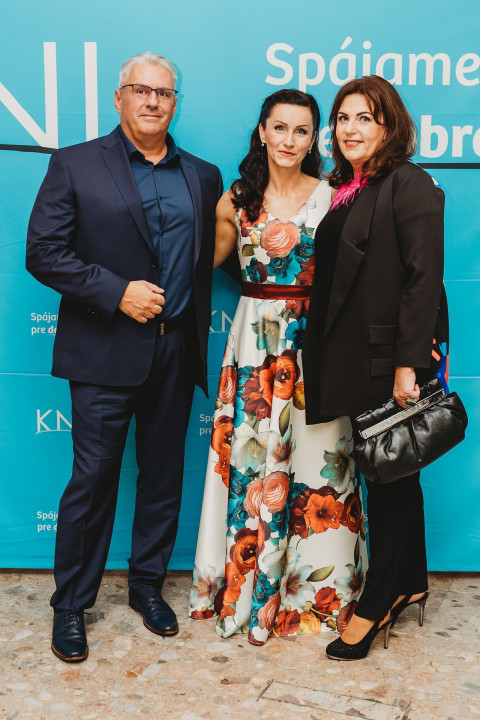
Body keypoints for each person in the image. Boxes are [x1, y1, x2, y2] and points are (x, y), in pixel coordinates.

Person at [26, 51, 223, 663]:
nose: (152, 101)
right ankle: (70, 604)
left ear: (175, 102)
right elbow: (43, 252)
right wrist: (117, 293)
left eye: (164, 92)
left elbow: (212, 254)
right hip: (104, 351)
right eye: (140, 90)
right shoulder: (75, 163)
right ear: (119, 98)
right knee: (92, 481)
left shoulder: (204, 175)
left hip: (175, 351)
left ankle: (147, 587)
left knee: (163, 477)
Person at [188, 89, 368, 646]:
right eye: (280, 127)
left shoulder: (336, 196)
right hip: (253, 348)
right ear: (262, 132)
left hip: (319, 348)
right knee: (252, 466)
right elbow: (198, 264)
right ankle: (245, 592)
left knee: (322, 466)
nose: (290, 140)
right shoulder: (236, 199)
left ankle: (316, 598)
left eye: (302, 130)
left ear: (315, 139)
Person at [302, 75, 448, 660]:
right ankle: (410, 582)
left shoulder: (408, 183)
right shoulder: (351, 187)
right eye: (342, 118)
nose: (350, 128)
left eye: (365, 117)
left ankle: (377, 602)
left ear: (390, 125)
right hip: (355, 357)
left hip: (388, 362)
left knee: (390, 482)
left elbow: (423, 279)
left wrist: (408, 365)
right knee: (395, 473)